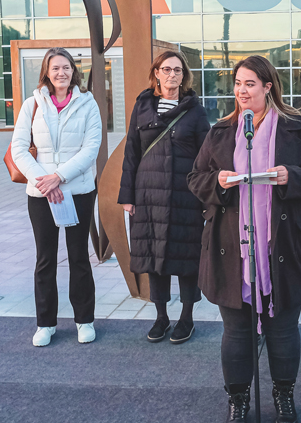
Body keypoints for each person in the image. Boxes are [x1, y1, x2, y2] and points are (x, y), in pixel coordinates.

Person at [187, 55, 301, 423]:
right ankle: (238, 401)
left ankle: (283, 397)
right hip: (231, 248)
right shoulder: (221, 131)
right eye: (237, 84)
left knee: (283, 329)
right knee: (236, 332)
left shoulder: (295, 129)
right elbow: (194, 179)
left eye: (250, 84)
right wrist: (217, 180)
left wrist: (291, 176)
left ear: (268, 87)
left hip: (284, 245)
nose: (241, 91)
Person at [11, 47, 103, 347]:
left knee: (79, 258)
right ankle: (45, 323)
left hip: (77, 191)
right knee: (45, 259)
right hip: (41, 194)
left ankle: (84, 321)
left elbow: (91, 149)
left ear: (73, 71)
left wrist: (58, 177)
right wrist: (44, 181)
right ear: (46, 73)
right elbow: (19, 148)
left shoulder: (88, 104)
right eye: (55, 68)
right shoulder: (32, 105)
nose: (61, 73)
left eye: (66, 67)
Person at [119, 50, 210, 343]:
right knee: (153, 255)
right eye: (167, 69)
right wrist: (127, 196)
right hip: (147, 195)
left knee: (186, 256)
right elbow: (131, 151)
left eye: (178, 70)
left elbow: (206, 155)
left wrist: (207, 196)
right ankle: (161, 316)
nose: (172, 75)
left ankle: (186, 318)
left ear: (184, 76)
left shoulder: (195, 110)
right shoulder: (143, 105)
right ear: (156, 72)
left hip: (186, 195)